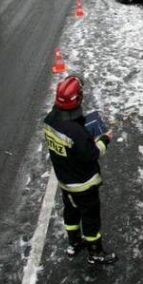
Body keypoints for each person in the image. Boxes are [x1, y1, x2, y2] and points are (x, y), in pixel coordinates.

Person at [42, 74, 115, 268]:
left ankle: (74, 244)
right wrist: (105, 139)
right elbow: (92, 154)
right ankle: (95, 253)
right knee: (91, 219)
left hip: (65, 181)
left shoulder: (49, 120)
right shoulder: (77, 132)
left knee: (71, 212)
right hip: (84, 184)